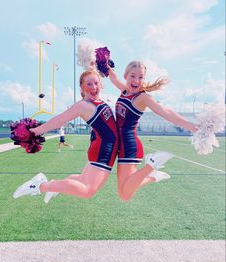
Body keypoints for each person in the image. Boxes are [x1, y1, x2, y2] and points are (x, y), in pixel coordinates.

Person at [13, 69, 118, 203]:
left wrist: (96, 65)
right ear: (82, 87)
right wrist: (36, 131)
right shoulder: (83, 105)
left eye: (96, 83)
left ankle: (55, 186)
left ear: (101, 84)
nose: (93, 87)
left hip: (103, 148)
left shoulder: (97, 101)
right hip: (104, 150)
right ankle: (39, 185)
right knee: (87, 190)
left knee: (82, 180)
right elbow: (60, 120)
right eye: (89, 84)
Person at [108, 61, 198, 201]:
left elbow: (165, 112)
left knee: (125, 195)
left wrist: (192, 126)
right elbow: (113, 78)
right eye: (133, 76)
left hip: (129, 145)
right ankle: (152, 176)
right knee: (123, 193)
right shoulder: (124, 91)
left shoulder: (143, 97)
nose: (136, 80)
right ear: (126, 76)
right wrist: (103, 64)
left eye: (141, 77)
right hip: (120, 145)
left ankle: (151, 164)